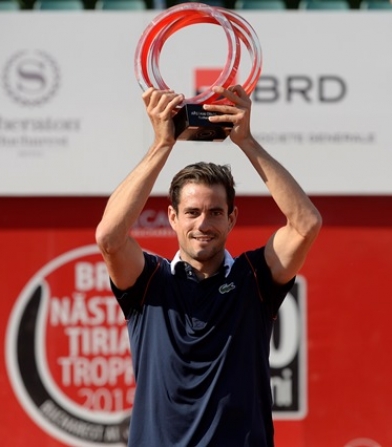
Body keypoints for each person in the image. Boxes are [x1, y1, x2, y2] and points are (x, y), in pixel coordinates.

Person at [94, 85, 322, 446]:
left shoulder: (254, 279)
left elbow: (306, 224)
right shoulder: (149, 282)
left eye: (215, 212)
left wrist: (246, 141)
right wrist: (162, 144)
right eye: (192, 213)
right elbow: (109, 237)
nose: (203, 224)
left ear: (232, 219)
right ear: (172, 217)